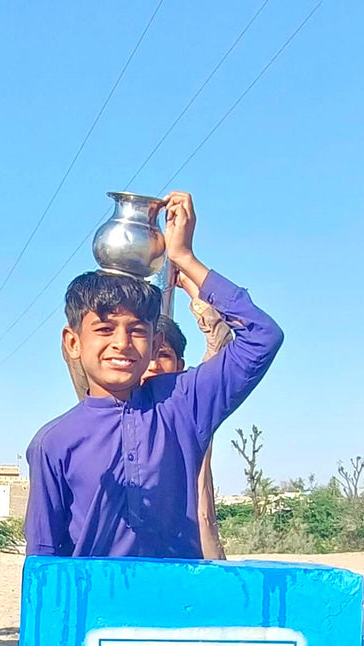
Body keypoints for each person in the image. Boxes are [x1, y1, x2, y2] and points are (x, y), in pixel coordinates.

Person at [24, 191, 283, 559]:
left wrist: (184, 258)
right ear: (73, 342)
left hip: (178, 610)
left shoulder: (181, 404)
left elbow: (263, 337)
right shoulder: (54, 442)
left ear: (155, 340)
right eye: (104, 329)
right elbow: (44, 558)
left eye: (136, 330)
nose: (121, 343)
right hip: (97, 613)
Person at [142, 301, 230, 560]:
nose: (153, 365)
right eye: (145, 354)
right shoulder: (110, 411)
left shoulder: (193, 406)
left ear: (179, 365)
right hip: (129, 560)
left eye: (163, 355)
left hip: (196, 552)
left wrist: (196, 293)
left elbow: (221, 345)